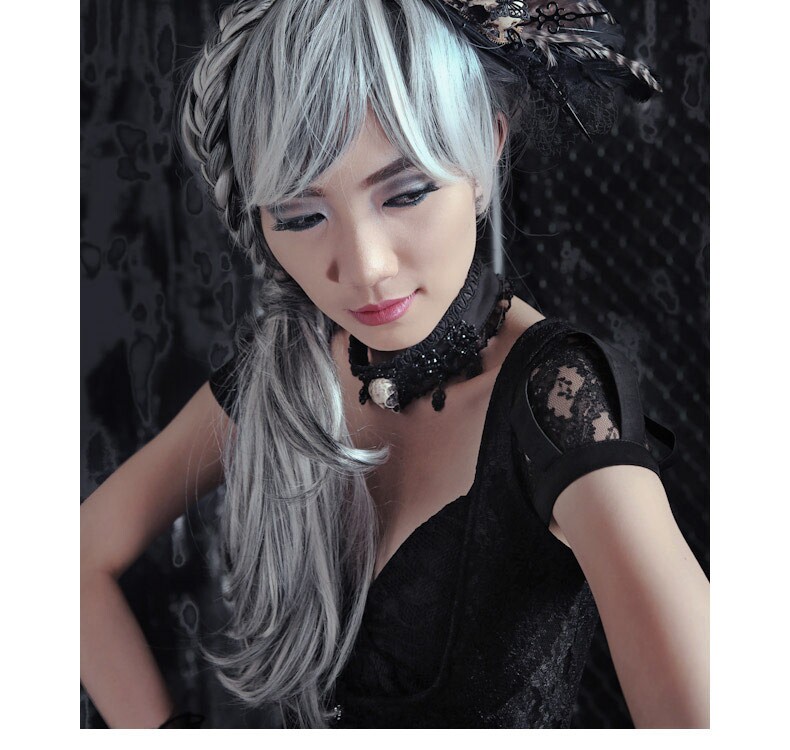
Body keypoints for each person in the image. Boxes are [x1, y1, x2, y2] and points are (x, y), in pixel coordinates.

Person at [80, 0, 709, 729]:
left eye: (406, 194)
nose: (366, 268)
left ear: (485, 151)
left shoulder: (559, 402)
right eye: (301, 216)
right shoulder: (287, 372)